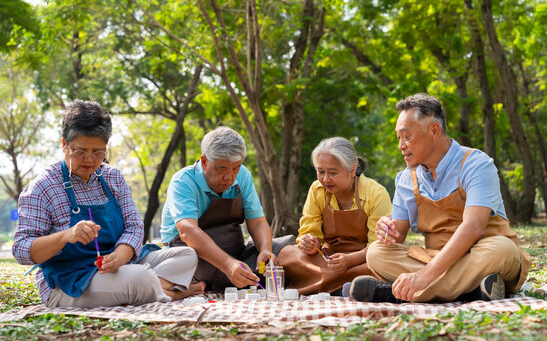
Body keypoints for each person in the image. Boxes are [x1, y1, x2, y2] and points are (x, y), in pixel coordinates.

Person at [13, 101, 203, 308]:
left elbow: (134, 225)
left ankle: (148, 289)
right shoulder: (43, 187)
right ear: (64, 144)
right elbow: (21, 249)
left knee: (187, 255)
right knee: (139, 277)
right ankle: (172, 294)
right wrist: (66, 236)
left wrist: (121, 256)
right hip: (70, 283)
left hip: (119, 268)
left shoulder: (113, 178)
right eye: (80, 151)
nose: (89, 160)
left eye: (98, 152)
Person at [349, 93, 531, 303]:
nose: (401, 146)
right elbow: (395, 238)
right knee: (376, 253)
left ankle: (394, 293)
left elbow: (474, 226)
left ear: (434, 131)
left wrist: (425, 276)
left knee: (502, 249)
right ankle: (472, 291)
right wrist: (386, 230)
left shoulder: (476, 164)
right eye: (398, 138)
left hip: (482, 255)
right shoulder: (406, 179)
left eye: (407, 137)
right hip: (439, 260)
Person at [160, 126, 295, 292]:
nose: (229, 177)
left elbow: (258, 222)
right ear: (204, 162)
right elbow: (187, 231)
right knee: (188, 261)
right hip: (193, 257)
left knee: (283, 247)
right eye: (222, 168)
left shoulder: (243, 175)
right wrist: (227, 264)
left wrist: (265, 251)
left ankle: (239, 276)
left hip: (235, 253)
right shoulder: (183, 181)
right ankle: (227, 279)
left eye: (236, 167)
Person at [278, 137, 392, 295]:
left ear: (352, 170)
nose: (325, 179)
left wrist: (349, 260)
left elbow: (378, 247)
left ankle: (323, 285)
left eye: (332, 172)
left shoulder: (376, 193)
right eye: (320, 172)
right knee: (288, 255)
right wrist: (310, 243)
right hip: (327, 259)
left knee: (384, 263)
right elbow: (310, 231)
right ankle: (347, 286)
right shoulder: (317, 190)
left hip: (363, 259)